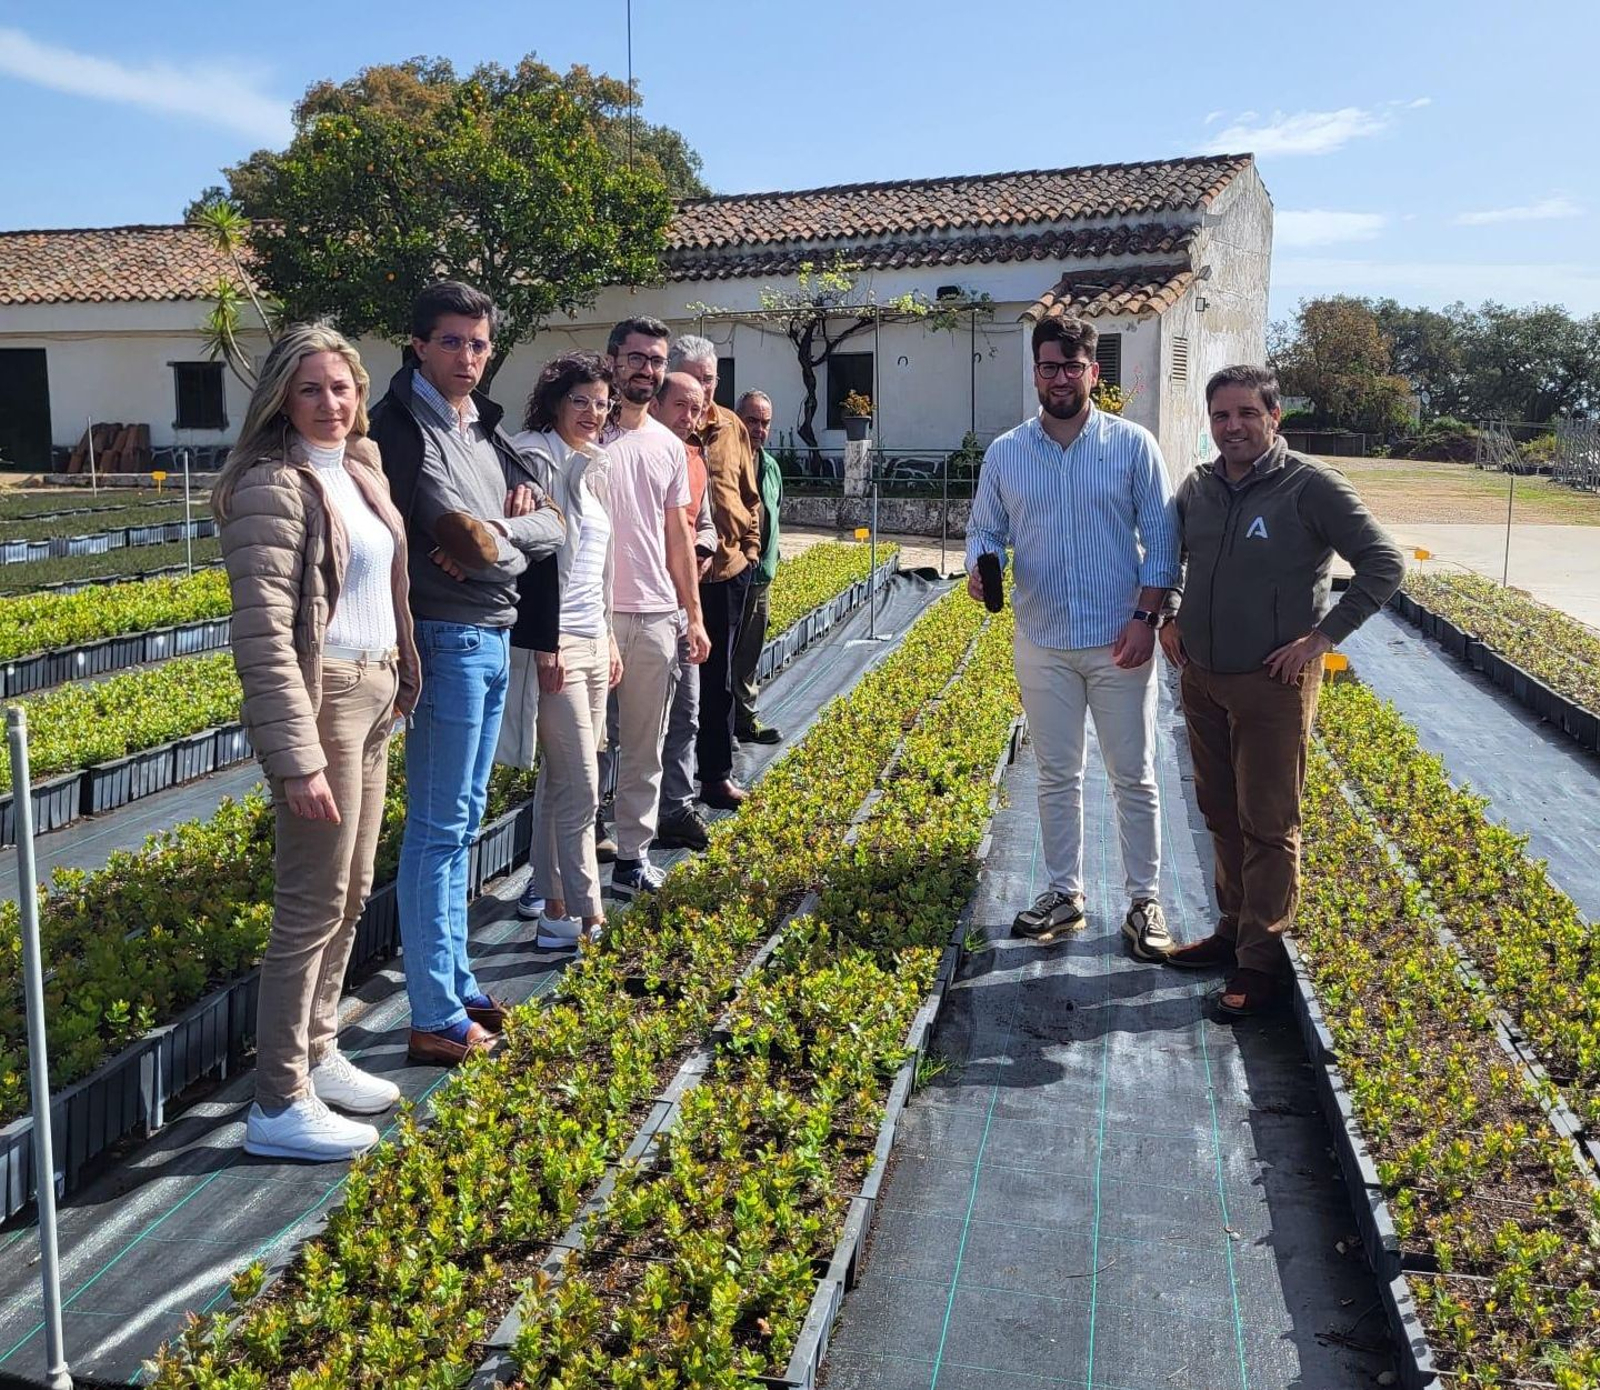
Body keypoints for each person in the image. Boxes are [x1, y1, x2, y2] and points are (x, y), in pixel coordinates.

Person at [214, 321, 420, 1162]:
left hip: (371, 690)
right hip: (323, 692)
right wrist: (295, 753)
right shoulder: (271, 485)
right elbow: (263, 635)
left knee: (353, 886)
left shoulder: (362, 469)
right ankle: (278, 1100)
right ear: (279, 398)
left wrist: (400, 681)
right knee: (308, 902)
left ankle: (319, 1047)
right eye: (310, 389)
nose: (331, 404)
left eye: (342, 387)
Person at [1158, 364, 1404, 1017]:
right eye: (1221, 416)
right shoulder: (1200, 487)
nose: (1232, 426)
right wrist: (1170, 614)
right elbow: (1171, 557)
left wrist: (1320, 640)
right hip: (1203, 678)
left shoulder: (1311, 487)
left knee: (1268, 822)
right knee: (1218, 811)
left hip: (1273, 684)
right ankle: (1232, 929)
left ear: (1275, 418)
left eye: (1246, 413)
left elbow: (1385, 563)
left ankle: (1259, 963)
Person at [369, 281, 565, 1065]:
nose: (467, 357)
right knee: (438, 829)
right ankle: (432, 1013)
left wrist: (501, 532)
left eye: (479, 344)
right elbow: (469, 542)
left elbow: (553, 525)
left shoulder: (483, 428)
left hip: (490, 630)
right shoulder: (401, 431)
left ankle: (453, 978)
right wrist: (498, 540)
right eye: (451, 341)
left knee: (463, 821)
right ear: (418, 343)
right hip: (443, 637)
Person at [965, 315, 1180, 956]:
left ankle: (1145, 902)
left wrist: (1146, 621)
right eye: (1048, 367)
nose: (1059, 378)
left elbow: (1164, 546)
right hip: (1041, 640)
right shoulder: (1006, 452)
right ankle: (1066, 893)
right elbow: (985, 529)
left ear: (1094, 372)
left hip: (1120, 641)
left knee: (1133, 774)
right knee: (1058, 773)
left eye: (1072, 367)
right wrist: (984, 566)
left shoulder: (1134, 446)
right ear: (1034, 372)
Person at [501, 352, 623, 947]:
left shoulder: (592, 464)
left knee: (562, 781)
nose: (593, 413)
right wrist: (545, 639)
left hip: (592, 641)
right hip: (554, 646)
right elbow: (532, 561)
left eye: (602, 403)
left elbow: (595, 568)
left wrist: (606, 634)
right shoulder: (531, 458)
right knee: (580, 784)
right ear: (554, 400)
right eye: (581, 400)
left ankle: (553, 909)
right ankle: (587, 912)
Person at [596, 318, 711, 898]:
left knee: (644, 748)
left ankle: (632, 860)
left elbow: (678, 540)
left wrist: (693, 616)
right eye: (636, 358)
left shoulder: (671, 448)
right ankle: (564, 870)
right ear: (613, 360)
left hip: (656, 615)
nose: (646, 369)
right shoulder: (584, 436)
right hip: (592, 618)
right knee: (582, 752)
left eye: (656, 361)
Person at [670, 336, 763, 809]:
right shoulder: (666, 425)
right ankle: (673, 789)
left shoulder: (731, 426)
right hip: (673, 581)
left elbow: (750, 496)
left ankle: (715, 776)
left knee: (719, 680)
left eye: (709, 379)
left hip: (728, 573)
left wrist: (749, 550)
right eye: (691, 378)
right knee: (679, 686)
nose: (701, 390)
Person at [652, 372, 721, 853]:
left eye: (696, 409)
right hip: (640, 605)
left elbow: (707, 522)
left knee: (686, 715)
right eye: (681, 405)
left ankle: (675, 807)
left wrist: (703, 543)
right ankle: (603, 817)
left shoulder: (693, 458)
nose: (689, 417)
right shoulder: (629, 450)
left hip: (683, 604)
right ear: (657, 404)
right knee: (625, 726)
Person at [731, 390, 784, 745]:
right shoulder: (726, 462)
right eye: (752, 420)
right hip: (732, 575)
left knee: (750, 650)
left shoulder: (771, 466)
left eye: (764, 422)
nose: (759, 429)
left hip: (761, 575)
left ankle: (745, 720)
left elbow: (777, 513)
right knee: (726, 654)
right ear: (737, 419)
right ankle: (721, 726)